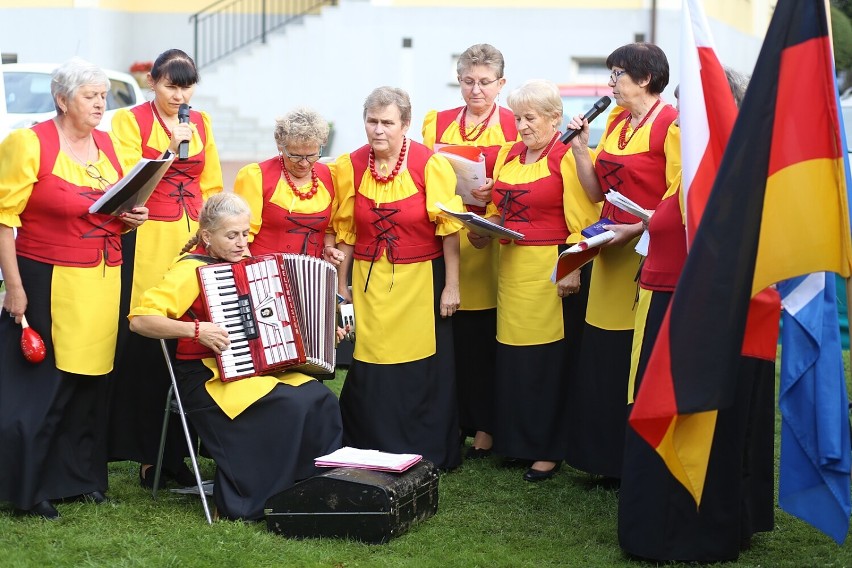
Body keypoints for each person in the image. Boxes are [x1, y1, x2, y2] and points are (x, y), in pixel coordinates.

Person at [618, 68, 780, 562]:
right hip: (671, 300)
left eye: (693, 111)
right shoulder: (688, 165)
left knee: (691, 422)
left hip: (700, 310)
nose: (681, 122)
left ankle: (686, 529)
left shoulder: (727, 168)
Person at [128, 192, 343, 521]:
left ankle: (310, 487)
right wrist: (196, 331)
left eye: (245, 234)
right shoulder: (189, 271)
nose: (243, 243)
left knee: (319, 397)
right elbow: (141, 320)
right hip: (203, 376)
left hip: (249, 369)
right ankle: (251, 497)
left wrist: (324, 336)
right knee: (291, 404)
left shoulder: (246, 263)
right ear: (207, 236)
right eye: (232, 235)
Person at [0, 57, 148, 519]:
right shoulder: (29, 143)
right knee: (46, 384)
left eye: (104, 95)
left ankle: (80, 476)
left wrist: (132, 217)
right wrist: (14, 287)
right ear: (63, 100)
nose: (101, 104)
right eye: (91, 96)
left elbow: (115, 208)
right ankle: (32, 484)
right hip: (46, 277)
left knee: (92, 381)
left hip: (104, 278)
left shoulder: (109, 145)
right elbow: (5, 221)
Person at [563, 42, 680, 480]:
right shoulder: (613, 121)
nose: (610, 83)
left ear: (644, 78)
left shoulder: (670, 125)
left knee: (634, 353)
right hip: (608, 246)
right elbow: (595, 193)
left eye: (617, 74)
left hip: (646, 250)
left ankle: (632, 459)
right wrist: (579, 148)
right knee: (602, 353)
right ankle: (601, 458)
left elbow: (676, 198)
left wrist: (639, 229)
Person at [108, 48, 224, 489]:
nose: (179, 94)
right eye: (171, 85)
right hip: (147, 234)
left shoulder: (203, 123)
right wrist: (169, 146)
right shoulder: (127, 122)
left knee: (193, 333)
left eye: (186, 86)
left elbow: (210, 182)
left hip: (193, 233)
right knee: (151, 331)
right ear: (152, 82)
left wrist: (212, 230)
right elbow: (127, 180)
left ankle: (191, 444)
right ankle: (146, 451)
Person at [333, 86, 464, 470]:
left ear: (405, 124)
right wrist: (342, 288)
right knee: (371, 360)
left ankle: (423, 449)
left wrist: (451, 285)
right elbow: (345, 233)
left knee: (420, 365)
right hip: (370, 279)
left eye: (387, 123)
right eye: (372, 122)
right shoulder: (350, 166)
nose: (378, 130)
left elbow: (449, 230)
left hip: (421, 278)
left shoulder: (430, 164)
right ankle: (368, 446)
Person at [475, 80, 600, 481]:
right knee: (512, 357)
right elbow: (499, 209)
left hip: (548, 270)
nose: (523, 125)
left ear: (554, 119)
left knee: (546, 361)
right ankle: (516, 440)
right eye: (517, 117)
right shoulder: (509, 154)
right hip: (509, 269)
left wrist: (573, 268)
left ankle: (547, 447)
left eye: (530, 118)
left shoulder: (565, 156)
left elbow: (585, 221)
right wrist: (483, 227)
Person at [421, 43, 518, 459]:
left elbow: (529, 179)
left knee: (485, 338)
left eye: (485, 82)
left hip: (491, 238)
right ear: (458, 80)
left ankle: (486, 425)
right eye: (468, 81)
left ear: (501, 83)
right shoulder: (436, 121)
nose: (476, 90)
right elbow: (424, 170)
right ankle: (454, 418)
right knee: (451, 336)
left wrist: (495, 194)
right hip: (446, 234)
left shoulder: (516, 123)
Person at [233, 106, 344, 264]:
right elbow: (241, 237)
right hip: (266, 274)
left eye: (312, 155)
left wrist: (328, 249)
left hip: (314, 276)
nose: (304, 163)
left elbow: (329, 230)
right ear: (280, 146)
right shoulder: (255, 177)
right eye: (295, 156)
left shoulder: (330, 176)